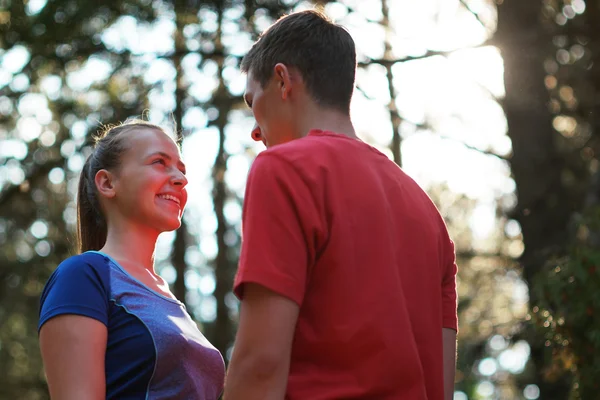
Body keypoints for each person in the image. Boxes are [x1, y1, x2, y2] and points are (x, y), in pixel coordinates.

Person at [223, 10, 458, 400]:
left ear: (283, 80)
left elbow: (259, 365)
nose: (254, 128)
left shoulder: (284, 170)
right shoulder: (428, 214)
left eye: (253, 101)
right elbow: (442, 385)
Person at [38, 121, 225, 399]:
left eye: (181, 169)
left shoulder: (170, 299)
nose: (180, 178)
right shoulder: (82, 276)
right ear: (107, 183)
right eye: (159, 162)